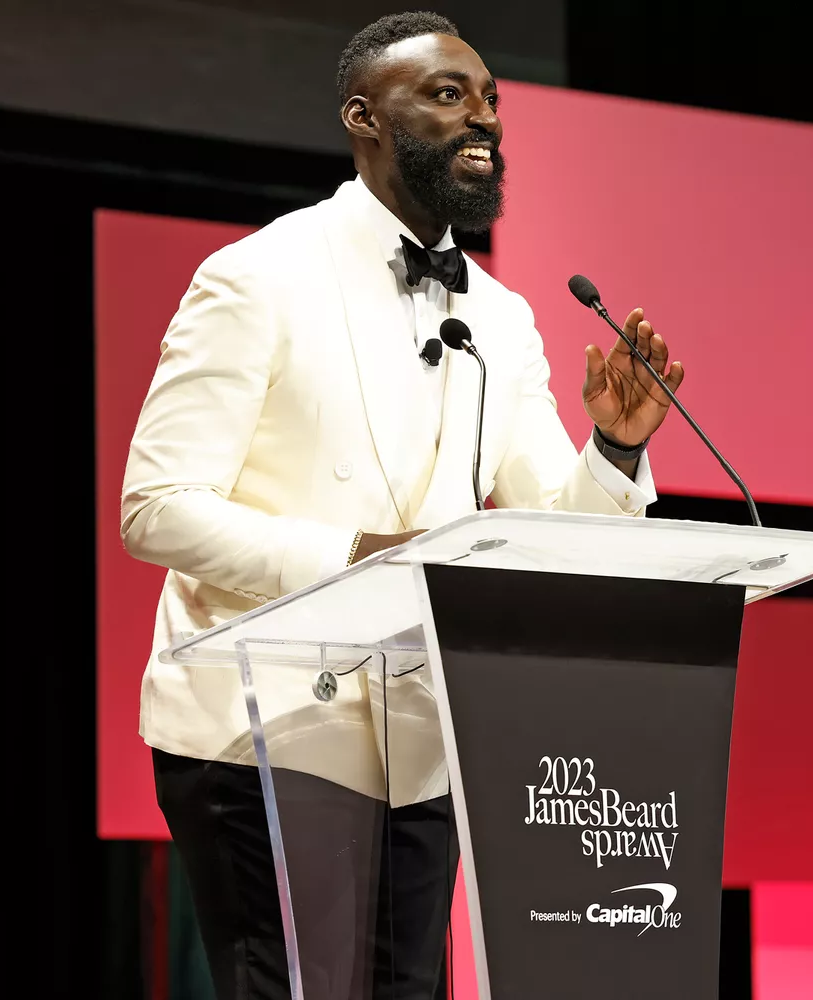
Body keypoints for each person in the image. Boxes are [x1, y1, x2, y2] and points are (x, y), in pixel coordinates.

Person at [121, 11, 685, 999]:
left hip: (423, 740)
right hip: (264, 729)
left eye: (492, 100)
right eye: (447, 94)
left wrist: (616, 444)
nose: (483, 119)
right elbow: (157, 508)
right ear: (363, 118)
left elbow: (553, 525)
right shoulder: (259, 279)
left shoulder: (501, 319)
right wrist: (354, 559)